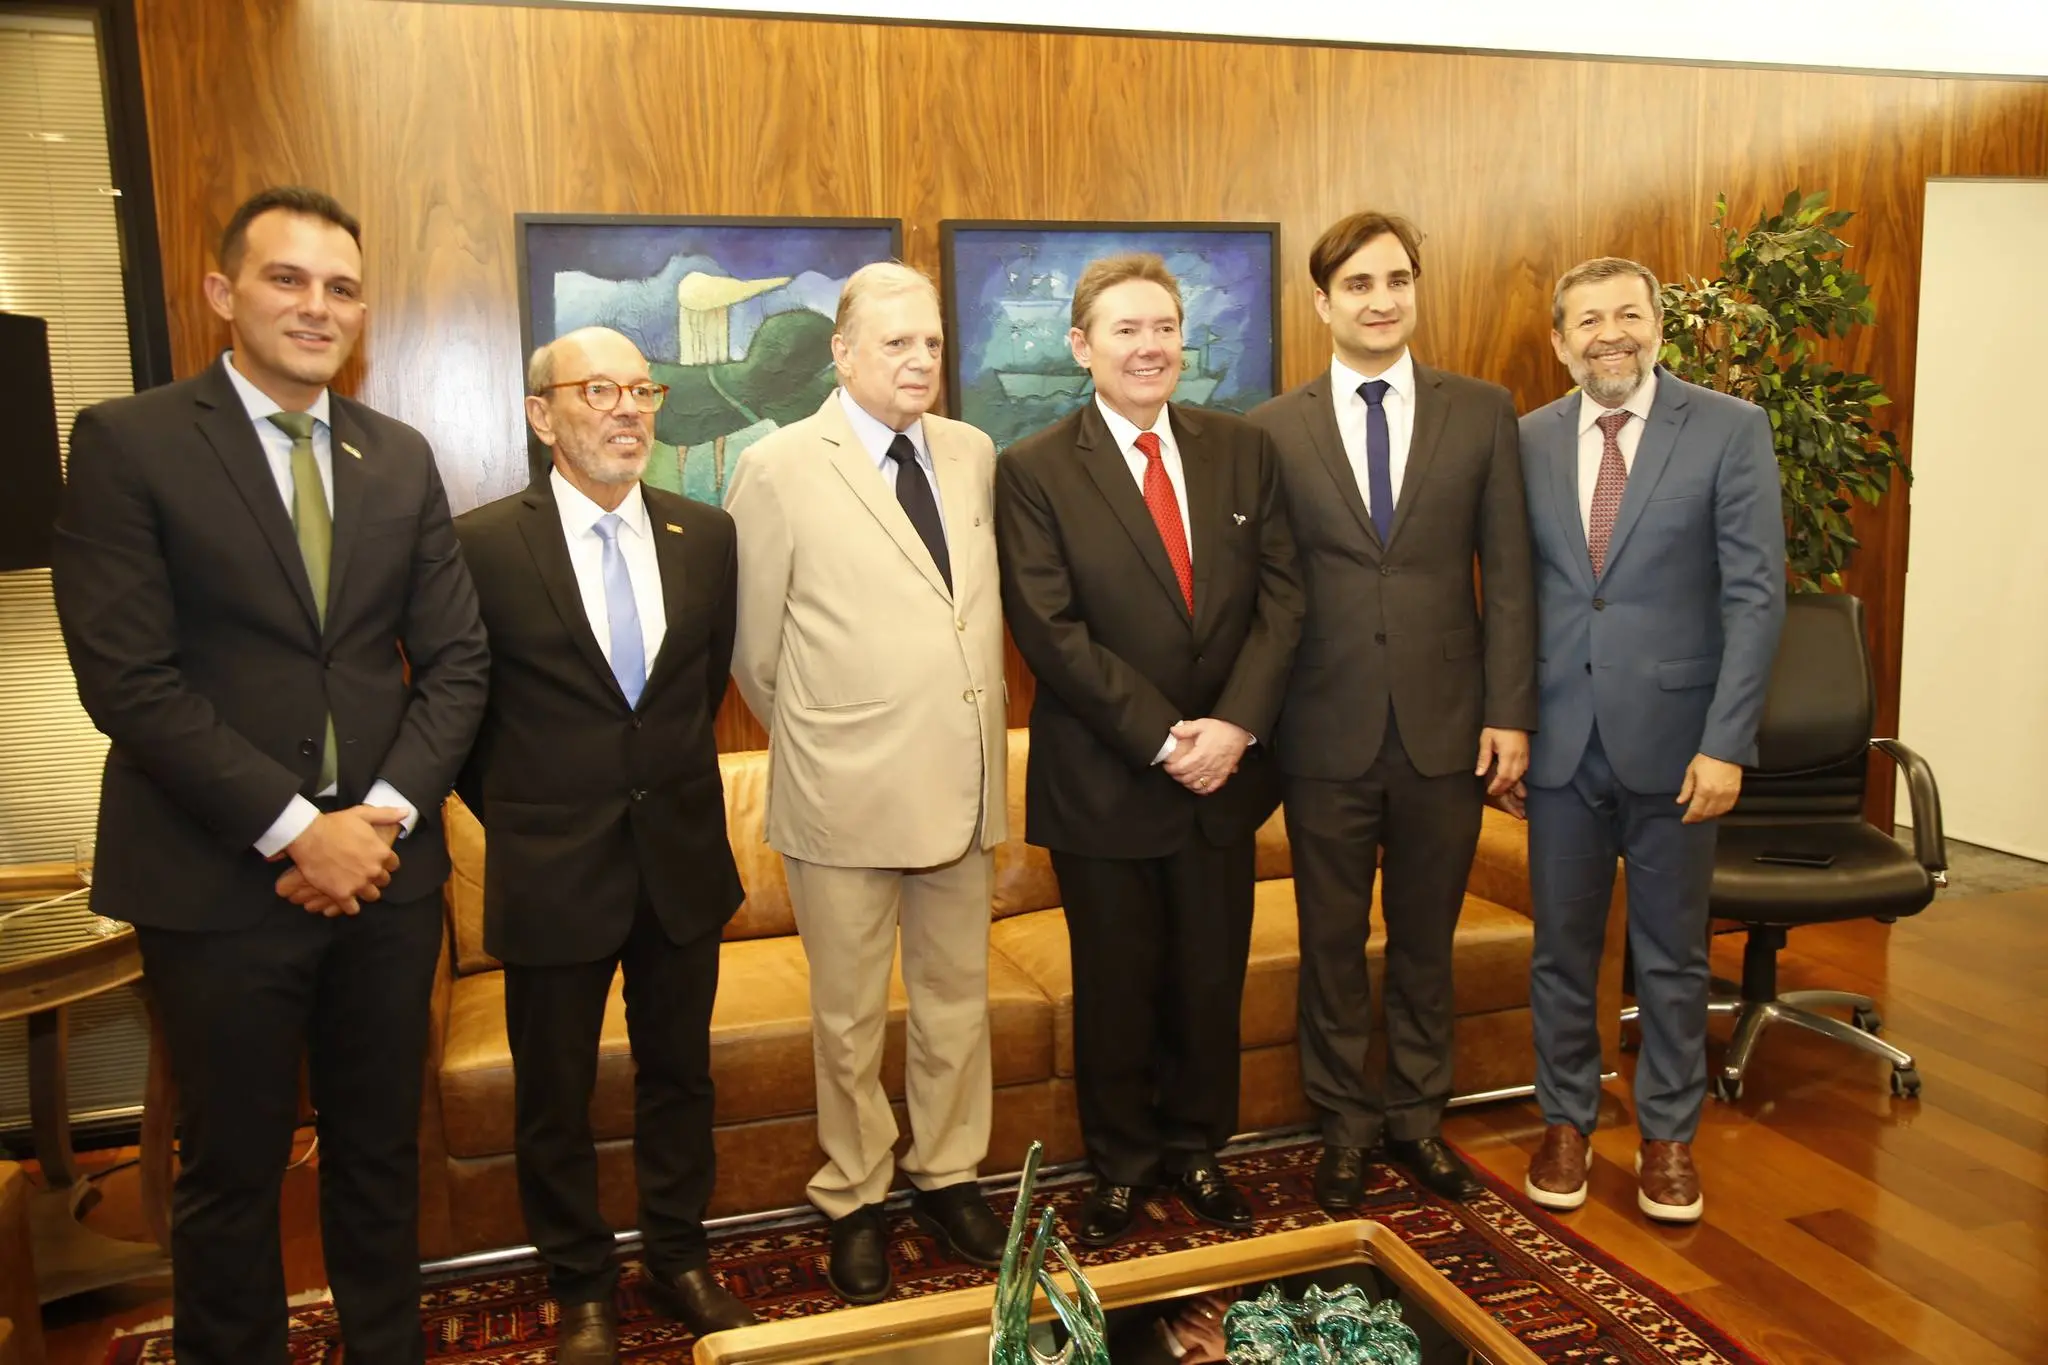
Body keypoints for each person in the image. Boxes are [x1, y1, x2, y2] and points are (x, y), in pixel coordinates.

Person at [50, 185, 489, 1364]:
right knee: (232, 1167)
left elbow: (457, 661)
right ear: (222, 292)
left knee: (379, 1153)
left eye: (341, 288)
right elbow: (126, 679)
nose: (316, 306)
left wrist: (374, 824)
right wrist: (299, 829)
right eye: (286, 279)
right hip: (215, 877)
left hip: (385, 879)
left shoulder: (397, 456)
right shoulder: (130, 442)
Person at [452, 326, 755, 1360]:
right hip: (551, 868)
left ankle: (677, 1254)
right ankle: (580, 1282)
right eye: (599, 390)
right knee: (554, 1098)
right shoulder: (482, 544)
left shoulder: (704, 534)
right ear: (542, 414)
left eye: (642, 390)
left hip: (679, 858)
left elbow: (697, 688)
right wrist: (532, 815)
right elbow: (462, 716)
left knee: (681, 1078)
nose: (628, 409)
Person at [995, 253, 1303, 1248]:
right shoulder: (1034, 469)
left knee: (1209, 982)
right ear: (1081, 347)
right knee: (1118, 990)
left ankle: (1197, 1150)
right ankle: (1122, 1166)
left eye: (1164, 327)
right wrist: (1166, 739)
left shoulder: (1241, 450)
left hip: (1226, 777)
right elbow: (1049, 630)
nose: (1149, 347)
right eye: (1125, 330)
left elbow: (1283, 599)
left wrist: (1235, 726)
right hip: (1107, 781)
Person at [726, 263, 1009, 1303]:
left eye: (930, 342)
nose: (919, 360)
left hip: (965, 784)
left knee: (955, 1001)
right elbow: (753, 652)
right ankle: (853, 1196)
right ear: (842, 354)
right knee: (847, 1020)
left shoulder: (973, 452)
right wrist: (834, 729)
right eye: (896, 343)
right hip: (841, 790)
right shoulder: (777, 467)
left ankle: (948, 1173)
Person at [1247, 212, 1536, 1207]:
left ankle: (1417, 1119)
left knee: (1424, 942)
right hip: (1321, 730)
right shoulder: (1271, 429)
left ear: (1415, 290)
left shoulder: (1481, 411)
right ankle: (1342, 1126)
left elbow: (1509, 575)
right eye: (1359, 284)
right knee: (1329, 944)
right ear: (1321, 302)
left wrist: (1509, 710)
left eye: (1397, 280)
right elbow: (1266, 590)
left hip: (1446, 729)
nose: (1381, 300)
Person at [1515, 256, 1785, 1224]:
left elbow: (1755, 597)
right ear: (1560, 341)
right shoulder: (1526, 439)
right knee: (1561, 950)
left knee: (1671, 954)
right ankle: (1565, 1123)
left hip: (1679, 746)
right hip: (1559, 742)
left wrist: (1727, 742)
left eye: (1627, 314)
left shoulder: (1727, 428)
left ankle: (1668, 1138)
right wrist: (1508, 723)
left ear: (1658, 326)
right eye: (1588, 320)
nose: (1610, 335)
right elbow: (1512, 596)